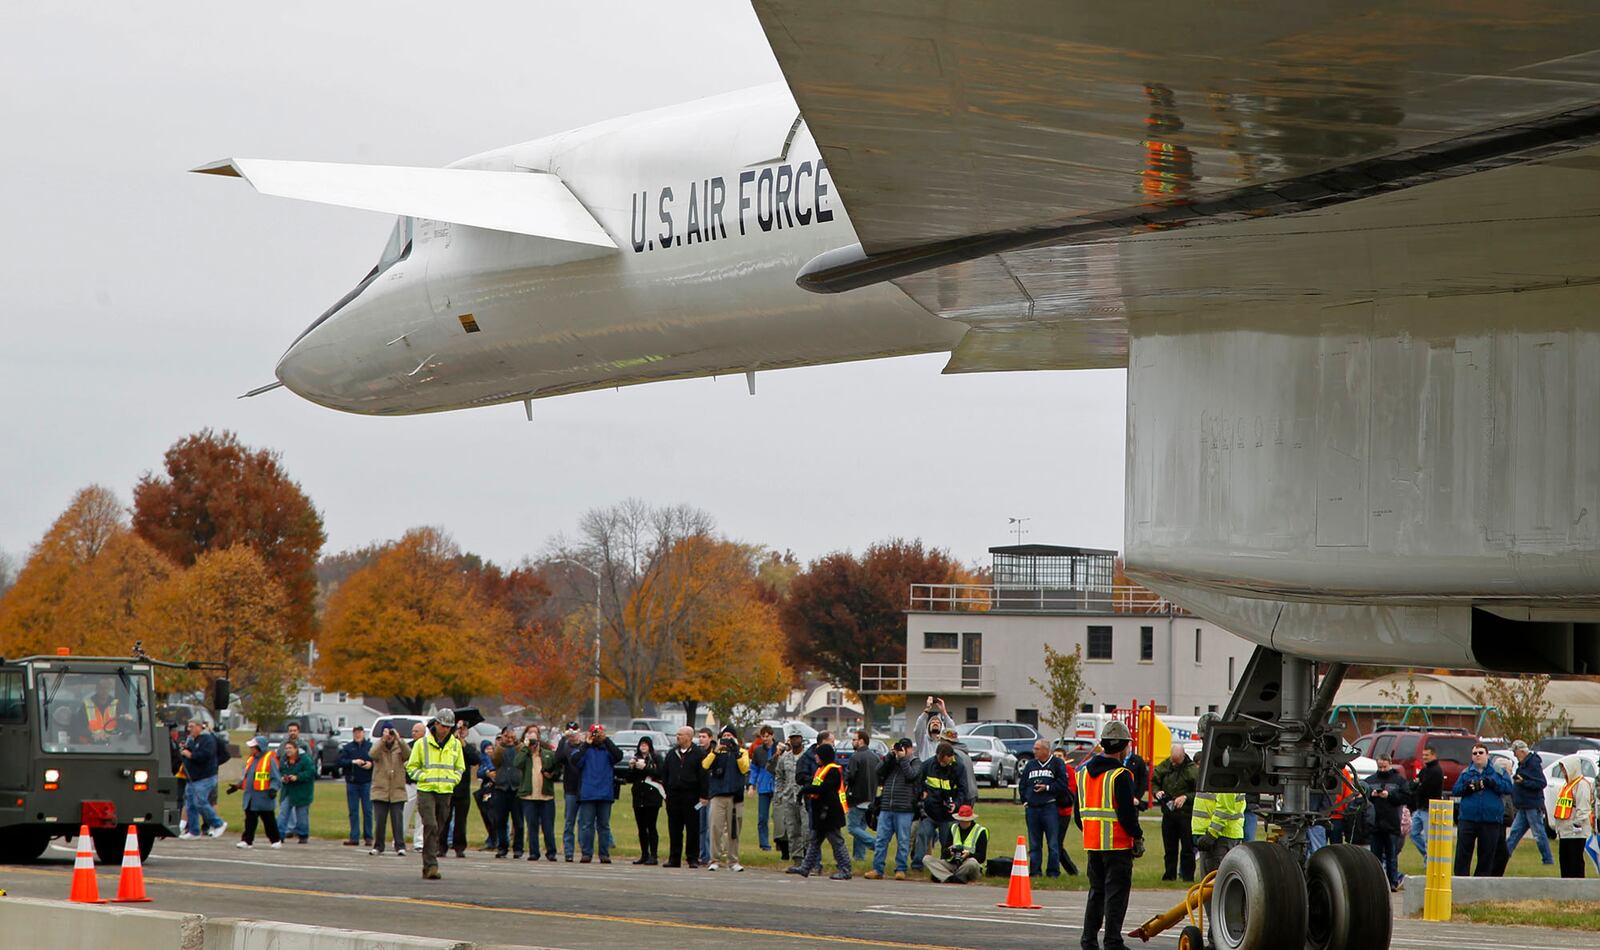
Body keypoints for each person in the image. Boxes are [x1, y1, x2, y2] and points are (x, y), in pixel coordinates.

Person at [1076, 720, 1145, 950]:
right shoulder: (1120, 775)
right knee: (1116, 895)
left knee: (1096, 893)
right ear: (1123, 746)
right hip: (1117, 846)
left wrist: (1093, 832)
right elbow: (1127, 814)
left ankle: (1088, 940)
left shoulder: (1083, 773)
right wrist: (1137, 837)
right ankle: (1113, 941)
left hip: (1093, 845)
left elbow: (1079, 815)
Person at [406, 709, 465, 880]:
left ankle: (428, 863)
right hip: (426, 790)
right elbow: (411, 766)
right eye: (443, 725)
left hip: (445, 791)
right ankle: (431, 865)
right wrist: (422, 777)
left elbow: (460, 767)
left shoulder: (455, 744)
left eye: (449, 726)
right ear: (436, 724)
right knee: (430, 825)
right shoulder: (421, 743)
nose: (445, 729)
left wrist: (453, 779)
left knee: (438, 827)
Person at [865, 738, 922, 880]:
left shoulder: (915, 762)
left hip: (905, 808)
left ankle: (901, 869)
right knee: (881, 839)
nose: (901, 751)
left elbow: (912, 776)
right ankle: (878, 869)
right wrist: (890, 756)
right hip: (886, 806)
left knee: (903, 840)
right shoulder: (892, 762)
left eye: (905, 748)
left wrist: (903, 760)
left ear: (910, 749)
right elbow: (878, 770)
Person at [1452, 743, 1512, 875]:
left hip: (1490, 820)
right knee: (1463, 853)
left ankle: (1481, 882)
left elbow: (1508, 788)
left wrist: (1493, 783)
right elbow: (1455, 790)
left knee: (1487, 855)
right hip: (1468, 819)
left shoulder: (1498, 771)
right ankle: (1461, 881)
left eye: (1480, 753)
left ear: (1487, 755)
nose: (1478, 755)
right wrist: (1466, 788)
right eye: (1475, 753)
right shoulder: (1466, 772)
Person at [795, 741, 851, 879]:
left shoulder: (832, 770)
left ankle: (845, 869)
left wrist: (805, 789)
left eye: (818, 755)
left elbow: (824, 789)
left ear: (824, 756)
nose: (815, 757)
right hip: (821, 812)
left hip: (829, 813)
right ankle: (806, 867)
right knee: (814, 841)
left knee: (836, 841)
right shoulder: (822, 769)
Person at [568, 723, 622, 863]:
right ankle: (587, 853)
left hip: (605, 793)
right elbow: (574, 760)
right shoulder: (584, 750)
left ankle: (604, 854)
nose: (596, 736)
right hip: (588, 793)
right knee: (587, 825)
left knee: (604, 826)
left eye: (599, 733)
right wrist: (586, 744)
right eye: (594, 733)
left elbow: (618, 756)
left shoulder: (607, 750)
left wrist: (606, 740)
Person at [914, 741, 969, 872]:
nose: (941, 764)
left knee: (947, 842)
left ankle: (944, 865)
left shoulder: (959, 767)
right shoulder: (928, 764)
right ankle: (917, 866)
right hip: (930, 811)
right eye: (939, 760)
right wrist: (922, 792)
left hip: (948, 816)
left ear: (951, 757)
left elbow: (963, 790)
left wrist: (956, 804)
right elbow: (918, 781)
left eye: (944, 761)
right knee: (922, 834)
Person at [1020, 739, 1069, 877]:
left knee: (1053, 843)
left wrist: (1047, 788)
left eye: (1037, 749)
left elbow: (1062, 784)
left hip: (1049, 807)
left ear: (1046, 750)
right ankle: (1035, 871)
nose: (1034, 751)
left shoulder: (1056, 764)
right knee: (1034, 843)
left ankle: (1053, 872)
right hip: (1032, 809)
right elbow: (1023, 784)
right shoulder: (1030, 765)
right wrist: (1025, 800)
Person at [703, 725, 750, 871]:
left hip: (735, 797)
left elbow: (744, 768)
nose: (727, 739)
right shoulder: (716, 751)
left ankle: (733, 860)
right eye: (725, 736)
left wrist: (735, 752)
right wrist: (715, 752)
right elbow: (705, 765)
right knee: (715, 828)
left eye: (730, 736)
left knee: (734, 830)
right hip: (718, 795)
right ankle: (714, 859)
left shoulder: (742, 752)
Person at [1150, 744, 1198, 882]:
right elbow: (1154, 781)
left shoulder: (1192, 771)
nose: (1174, 763)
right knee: (1169, 848)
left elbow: (1199, 793)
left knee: (1187, 849)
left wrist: (1185, 797)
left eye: (1177, 761)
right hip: (1169, 814)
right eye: (1173, 760)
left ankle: (1187, 877)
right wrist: (1157, 792)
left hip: (1186, 815)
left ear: (1183, 757)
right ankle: (1169, 875)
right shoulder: (1164, 766)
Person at [660, 726, 705, 868]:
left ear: (689, 737)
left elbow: (703, 776)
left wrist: (704, 795)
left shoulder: (699, 754)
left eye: (680, 734)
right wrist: (667, 792)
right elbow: (665, 774)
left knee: (692, 828)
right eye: (677, 734)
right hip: (674, 796)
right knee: (674, 828)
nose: (677, 737)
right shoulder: (672, 753)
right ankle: (674, 858)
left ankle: (692, 858)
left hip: (692, 796)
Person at [1504, 739, 1554, 866]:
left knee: (1539, 834)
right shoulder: (1523, 764)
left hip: (1532, 806)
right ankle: (1503, 856)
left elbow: (1541, 783)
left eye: (1515, 752)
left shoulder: (1533, 764)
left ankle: (1547, 860)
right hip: (1524, 805)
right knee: (1515, 832)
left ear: (1521, 751)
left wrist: (1523, 782)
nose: (1514, 754)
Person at [514, 724, 558, 861]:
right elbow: (516, 764)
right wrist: (526, 749)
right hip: (529, 796)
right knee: (532, 826)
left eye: (535, 740)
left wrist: (552, 774)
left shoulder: (547, 753)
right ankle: (534, 852)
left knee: (548, 826)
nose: (533, 743)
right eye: (530, 739)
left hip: (546, 796)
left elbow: (556, 768)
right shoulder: (525, 754)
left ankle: (551, 852)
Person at [1366, 754, 1410, 891]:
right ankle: (1376, 882)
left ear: (1390, 764)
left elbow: (1406, 797)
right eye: (1380, 767)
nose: (1382, 770)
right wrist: (1370, 795)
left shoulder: (1398, 781)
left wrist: (1389, 795)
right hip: (1375, 825)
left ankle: (1393, 883)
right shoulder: (1370, 780)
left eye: (1385, 767)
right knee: (1375, 857)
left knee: (1392, 857)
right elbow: (1361, 796)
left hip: (1392, 825)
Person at [232, 736, 283, 849]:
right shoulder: (251, 759)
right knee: (250, 819)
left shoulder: (270, 759)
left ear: (260, 747)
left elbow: (276, 777)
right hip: (250, 796)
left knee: (268, 819)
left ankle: (275, 840)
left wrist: (273, 789)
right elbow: (247, 776)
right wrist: (238, 786)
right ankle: (247, 840)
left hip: (264, 796)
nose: (251, 749)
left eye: (253, 747)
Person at [179, 719, 227, 839]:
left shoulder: (208, 739)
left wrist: (190, 754)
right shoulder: (193, 739)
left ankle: (218, 823)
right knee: (190, 804)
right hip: (192, 778)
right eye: (188, 726)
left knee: (200, 802)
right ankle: (194, 831)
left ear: (200, 727)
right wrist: (185, 749)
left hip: (205, 777)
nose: (189, 729)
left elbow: (205, 755)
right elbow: (189, 751)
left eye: (192, 726)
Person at [1550, 753, 1595, 879]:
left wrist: (1577, 825)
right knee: (1565, 863)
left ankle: (1578, 891)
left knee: (1575, 863)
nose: (1563, 772)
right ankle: (1566, 891)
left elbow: (1583, 808)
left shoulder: (1582, 784)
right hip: (1565, 831)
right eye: (1562, 769)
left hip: (1576, 832)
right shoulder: (1567, 785)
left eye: (1565, 769)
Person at [369, 725, 410, 855]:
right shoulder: (378, 746)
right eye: (387, 733)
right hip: (380, 790)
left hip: (397, 790)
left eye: (391, 733)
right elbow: (372, 754)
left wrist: (399, 739)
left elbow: (408, 754)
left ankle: (400, 845)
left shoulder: (400, 747)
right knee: (380, 821)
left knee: (397, 821)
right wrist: (382, 740)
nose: (389, 736)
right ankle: (378, 846)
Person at [485, 726, 524, 858]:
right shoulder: (499, 749)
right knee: (501, 820)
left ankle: (518, 848)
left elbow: (522, 757)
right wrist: (501, 744)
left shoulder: (519, 747)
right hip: (501, 787)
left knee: (518, 821)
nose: (509, 739)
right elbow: (495, 760)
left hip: (516, 787)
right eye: (507, 736)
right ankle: (502, 847)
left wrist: (516, 742)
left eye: (512, 736)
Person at [925, 804, 988, 883]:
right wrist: (950, 851)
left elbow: (982, 857)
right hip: (953, 864)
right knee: (927, 859)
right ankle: (951, 877)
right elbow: (944, 852)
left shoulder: (980, 831)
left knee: (972, 863)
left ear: (970, 819)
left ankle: (944, 875)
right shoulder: (953, 828)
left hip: (968, 865)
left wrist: (968, 854)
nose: (963, 822)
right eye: (961, 820)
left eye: (965, 820)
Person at [844, 729, 881, 862]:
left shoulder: (855, 757)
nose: (852, 742)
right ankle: (859, 858)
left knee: (852, 828)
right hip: (870, 797)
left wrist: (845, 779)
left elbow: (851, 776)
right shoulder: (876, 757)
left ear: (861, 741)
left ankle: (875, 844)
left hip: (856, 797)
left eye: (854, 739)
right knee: (861, 829)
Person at [627, 735, 664, 865]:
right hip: (638, 796)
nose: (643, 747)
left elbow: (660, 774)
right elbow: (629, 779)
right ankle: (644, 854)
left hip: (652, 796)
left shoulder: (656, 758)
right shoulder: (635, 758)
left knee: (651, 826)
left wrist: (646, 768)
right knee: (641, 827)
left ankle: (654, 855)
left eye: (645, 744)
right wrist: (632, 768)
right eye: (641, 744)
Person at [338, 725, 374, 847]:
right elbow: (340, 762)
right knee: (353, 811)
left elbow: (378, 761)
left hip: (366, 782)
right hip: (352, 783)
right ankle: (354, 837)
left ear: (364, 733)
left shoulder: (370, 747)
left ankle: (368, 837)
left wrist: (370, 764)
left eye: (360, 732)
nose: (358, 735)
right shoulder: (348, 748)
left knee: (368, 811)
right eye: (356, 733)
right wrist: (353, 762)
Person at [771, 731, 804, 862]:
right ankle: (796, 859)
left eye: (797, 737)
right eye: (792, 738)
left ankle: (808, 859)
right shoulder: (785, 757)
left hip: (803, 798)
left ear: (801, 739)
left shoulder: (807, 756)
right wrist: (780, 792)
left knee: (806, 830)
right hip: (789, 797)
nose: (795, 740)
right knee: (792, 829)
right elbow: (779, 775)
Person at [1407, 746, 1443, 859]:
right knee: (1413, 833)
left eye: (1427, 755)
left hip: (1430, 809)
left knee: (1429, 838)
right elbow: (1412, 785)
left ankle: (1429, 861)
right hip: (1419, 809)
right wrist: (1418, 784)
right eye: (1423, 755)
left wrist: (1419, 785)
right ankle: (1427, 856)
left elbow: (1425, 788)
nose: (1424, 757)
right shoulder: (1425, 770)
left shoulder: (1436, 771)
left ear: (1433, 755)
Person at [278, 740, 317, 844]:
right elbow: (281, 770)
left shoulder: (305, 759)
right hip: (288, 790)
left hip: (302, 792)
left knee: (302, 815)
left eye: (290, 748)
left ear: (296, 749)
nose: (288, 750)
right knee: (283, 812)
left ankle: (303, 835)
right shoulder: (284, 759)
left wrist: (298, 777)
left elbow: (311, 772)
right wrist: (283, 777)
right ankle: (279, 834)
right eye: (286, 748)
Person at [1051, 747, 1081, 876]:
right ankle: (1057, 868)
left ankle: (1071, 870)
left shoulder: (1070, 772)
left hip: (1064, 812)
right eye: (1055, 756)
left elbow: (1071, 792)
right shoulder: (1050, 771)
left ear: (1065, 758)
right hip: (1051, 811)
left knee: (1057, 843)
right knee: (1053, 843)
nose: (1057, 758)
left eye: (1060, 756)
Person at [553, 722, 581, 861]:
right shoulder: (565, 746)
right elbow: (557, 759)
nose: (573, 734)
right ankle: (568, 852)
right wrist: (564, 739)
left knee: (584, 822)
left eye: (575, 731)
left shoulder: (584, 746)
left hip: (584, 789)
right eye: (570, 731)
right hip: (570, 789)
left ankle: (585, 850)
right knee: (569, 821)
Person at [76, 676, 131, 744]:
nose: (104, 691)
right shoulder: (86, 705)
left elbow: (123, 725)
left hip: (112, 745)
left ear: (110, 689)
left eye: (106, 688)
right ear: (97, 689)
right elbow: (78, 727)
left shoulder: (117, 705)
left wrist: (113, 734)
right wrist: (92, 734)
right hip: (91, 743)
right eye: (101, 688)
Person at [747, 725, 776, 851]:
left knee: (779, 817)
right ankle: (764, 844)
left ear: (772, 735)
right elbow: (754, 769)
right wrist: (751, 785)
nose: (765, 738)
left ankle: (781, 842)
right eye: (763, 736)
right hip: (763, 787)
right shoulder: (758, 751)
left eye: (767, 736)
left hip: (777, 787)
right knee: (762, 817)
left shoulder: (779, 748)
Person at [403, 722, 426, 851]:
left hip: (423, 784)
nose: (413, 733)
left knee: (421, 815)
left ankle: (419, 842)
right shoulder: (409, 747)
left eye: (416, 731)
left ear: (423, 732)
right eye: (413, 731)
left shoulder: (427, 746)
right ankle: (399, 839)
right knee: (405, 812)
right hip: (410, 784)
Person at [941, 727, 979, 805]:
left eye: (941, 740)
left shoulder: (953, 755)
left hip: (962, 795)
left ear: (946, 741)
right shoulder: (964, 753)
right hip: (971, 793)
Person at [912, 697, 947, 761]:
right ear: (928, 727)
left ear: (942, 727)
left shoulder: (944, 742)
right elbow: (918, 729)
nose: (935, 723)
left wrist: (944, 711)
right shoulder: (923, 741)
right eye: (932, 722)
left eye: (938, 722)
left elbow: (953, 731)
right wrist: (927, 709)